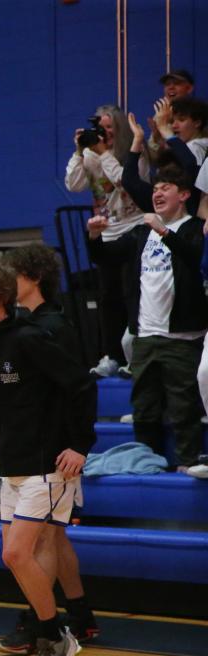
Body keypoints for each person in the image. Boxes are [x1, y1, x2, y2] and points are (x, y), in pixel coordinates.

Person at [0, 263, 96, 656]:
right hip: (11, 464)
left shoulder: (33, 338)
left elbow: (81, 386)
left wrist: (81, 446)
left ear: (0, 297)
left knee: (16, 555)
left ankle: (57, 637)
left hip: (48, 466)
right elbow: (3, 399)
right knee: (17, 558)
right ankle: (48, 640)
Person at [0, 244, 100, 652]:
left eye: (12, 275)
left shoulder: (53, 327)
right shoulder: (25, 325)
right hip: (41, 450)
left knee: (42, 543)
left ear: (33, 278)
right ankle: (78, 615)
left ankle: (40, 621)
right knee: (53, 540)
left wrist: (78, 445)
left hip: (56, 453)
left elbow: (77, 389)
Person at [87, 166, 207, 472]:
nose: (157, 192)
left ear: (184, 195)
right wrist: (94, 237)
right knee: (144, 409)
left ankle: (188, 463)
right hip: (145, 335)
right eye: (155, 188)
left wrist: (164, 231)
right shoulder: (141, 232)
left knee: (183, 407)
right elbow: (105, 257)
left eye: (165, 187)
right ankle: (147, 463)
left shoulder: (196, 228)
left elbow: (194, 257)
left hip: (182, 337)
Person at [65, 104, 147, 378]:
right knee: (108, 297)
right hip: (107, 232)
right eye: (100, 127)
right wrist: (79, 152)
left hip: (135, 229)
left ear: (120, 128)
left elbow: (127, 182)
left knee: (131, 293)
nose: (104, 132)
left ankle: (135, 354)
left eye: (110, 127)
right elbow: (74, 184)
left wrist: (104, 155)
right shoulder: (90, 154)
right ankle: (112, 355)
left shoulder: (133, 153)